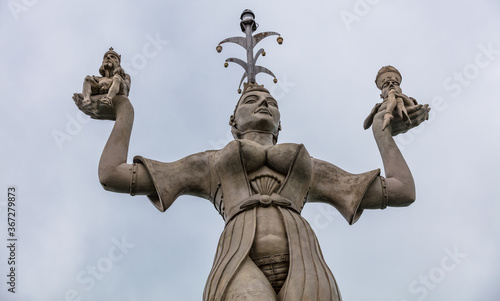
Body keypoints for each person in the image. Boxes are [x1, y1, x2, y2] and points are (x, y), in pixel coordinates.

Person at [91, 75, 429, 300]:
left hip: (304, 259)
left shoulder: (309, 167)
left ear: (280, 124)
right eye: (251, 100)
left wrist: (384, 136)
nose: (264, 103)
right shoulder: (208, 163)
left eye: (272, 102)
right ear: (233, 122)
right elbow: (113, 175)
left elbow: (401, 191)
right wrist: (123, 112)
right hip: (239, 258)